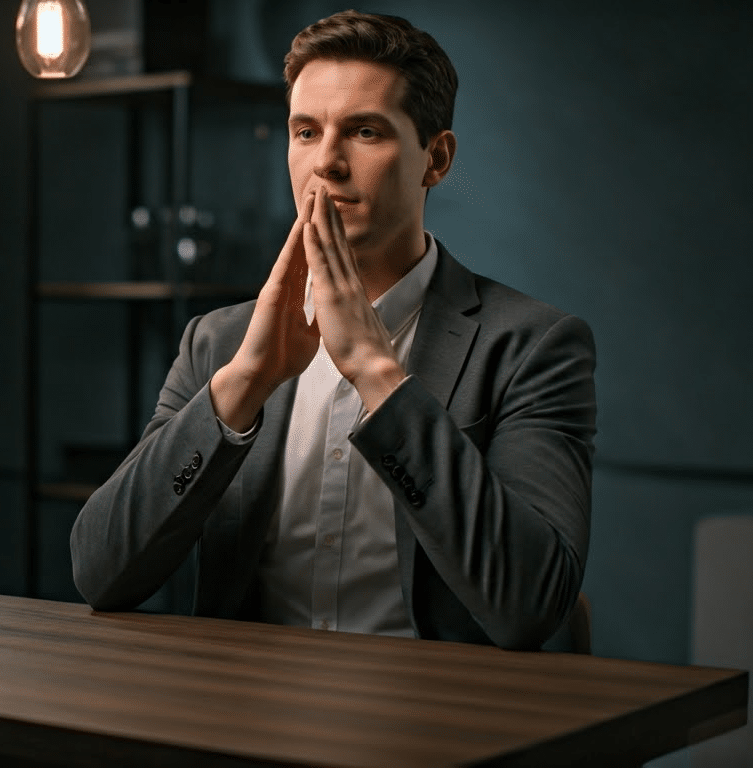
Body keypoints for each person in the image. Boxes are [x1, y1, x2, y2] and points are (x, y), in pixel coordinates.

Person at [69, 10, 596, 650]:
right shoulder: (217, 343)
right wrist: (242, 385)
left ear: (436, 157)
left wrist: (380, 375)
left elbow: (531, 604)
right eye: (305, 131)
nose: (326, 163)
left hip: (436, 728)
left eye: (364, 131)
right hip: (243, 720)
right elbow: (100, 573)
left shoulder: (533, 346)